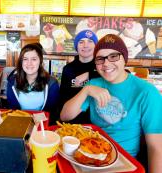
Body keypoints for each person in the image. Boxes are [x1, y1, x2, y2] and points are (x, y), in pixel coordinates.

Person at [60, 34, 162, 172]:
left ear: (124, 58)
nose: (106, 63)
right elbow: (65, 116)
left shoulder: (147, 92)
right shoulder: (94, 84)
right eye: (100, 59)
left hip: (124, 162)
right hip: (91, 154)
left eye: (113, 56)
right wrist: (86, 90)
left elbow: (156, 148)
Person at [7, 43, 60, 125]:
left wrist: (35, 122)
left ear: (40, 61)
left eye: (34, 59)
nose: (29, 63)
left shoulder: (51, 84)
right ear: (21, 61)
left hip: (43, 128)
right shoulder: (12, 82)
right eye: (25, 59)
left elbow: (52, 112)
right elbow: (13, 110)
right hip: (19, 125)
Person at [60, 29, 100, 124]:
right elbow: (62, 97)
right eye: (81, 42)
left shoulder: (102, 66)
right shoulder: (68, 69)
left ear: (95, 46)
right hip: (73, 122)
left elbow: (122, 72)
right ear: (76, 46)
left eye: (90, 41)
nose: (85, 45)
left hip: (97, 123)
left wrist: (89, 75)